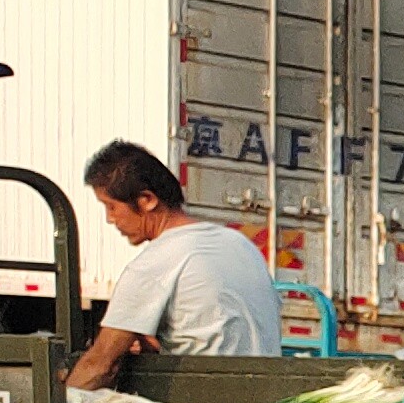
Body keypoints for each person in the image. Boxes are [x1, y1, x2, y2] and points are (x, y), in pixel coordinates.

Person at [69, 140, 284, 386]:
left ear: (146, 200)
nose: (110, 219)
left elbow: (99, 366)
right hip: (267, 397)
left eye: (111, 207)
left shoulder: (155, 263)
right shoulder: (240, 243)